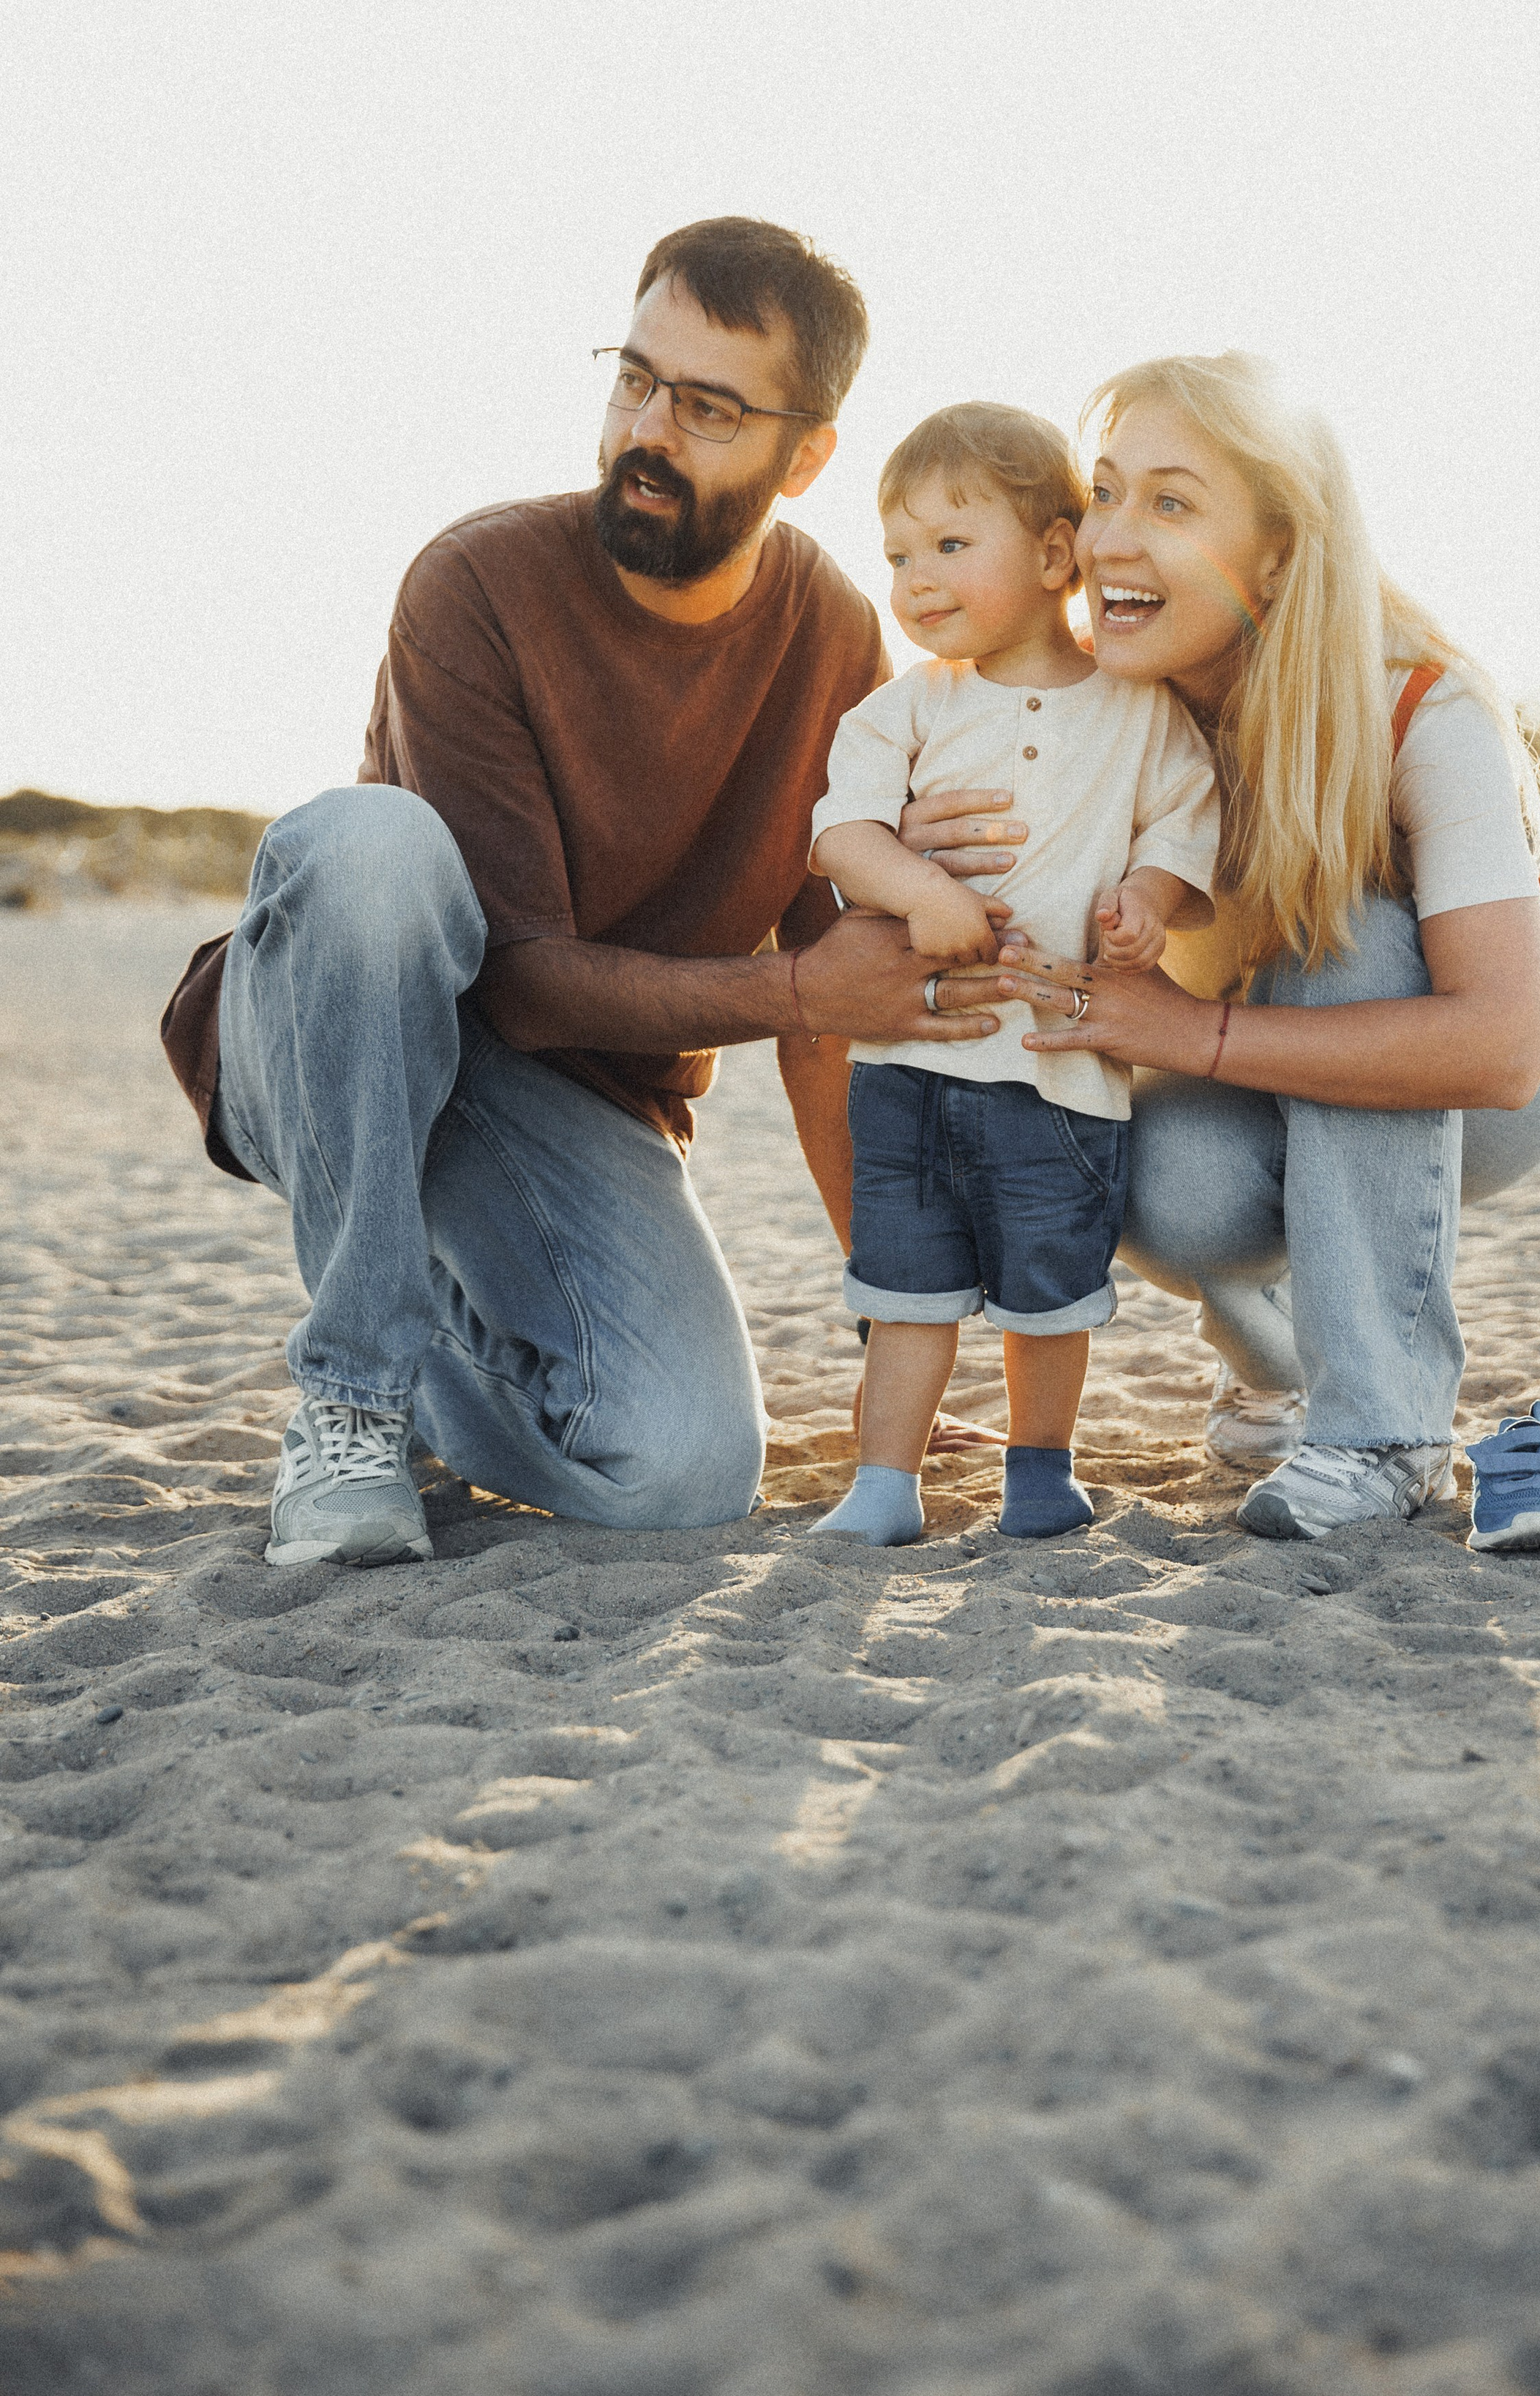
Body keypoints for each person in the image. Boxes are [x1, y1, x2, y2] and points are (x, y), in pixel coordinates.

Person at [159, 217, 1004, 1571]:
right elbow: (525, 982)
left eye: (709, 407)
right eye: (635, 379)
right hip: (337, 1034)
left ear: (807, 454)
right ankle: (352, 1400)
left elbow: (834, 1008)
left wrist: (887, 1324)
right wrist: (799, 987)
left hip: (564, 1109)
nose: (646, 432)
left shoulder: (837, 634)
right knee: (373, 848)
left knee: (684, 1471)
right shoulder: (474, 583)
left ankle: (414, 1332)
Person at [905, 350, 1540, 1550]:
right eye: (1105, 492)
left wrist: (1188, 1031)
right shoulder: (1102, 711)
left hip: (1507, 1061)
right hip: (1265, 1067)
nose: (1107, 541)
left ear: (1281, 550)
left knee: (1339, 937)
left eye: (1172, 503)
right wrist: (926, 843)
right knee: (1141, 1179)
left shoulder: (1421, 706)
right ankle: (1279, 1358)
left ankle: (1386, 1432)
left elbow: (1499, 1049)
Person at [806, 404, 1218, 1545]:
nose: (915, 578)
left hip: (1060, 1070)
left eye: (949, 544)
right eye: (896, 553)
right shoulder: (906, 707)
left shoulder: (1142, 710)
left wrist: (1149, 903)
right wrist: (920, 890)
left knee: (1048, 1285)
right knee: (907, 1288)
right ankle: (885, 1483)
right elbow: (841, 834)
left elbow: (1184, 828)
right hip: (913, 1061)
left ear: (1050, 555)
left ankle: (1041, 1468)